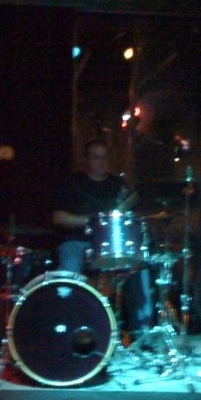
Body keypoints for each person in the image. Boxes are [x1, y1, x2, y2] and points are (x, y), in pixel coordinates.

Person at [52, 138, 152, 333]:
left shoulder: (118, 185)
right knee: (68, 269)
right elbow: (58, 217)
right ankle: (65, 327)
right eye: (96, 157)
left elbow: (131, 216)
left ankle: (142, 332)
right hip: (78, 242)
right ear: (86, 160)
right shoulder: (73, 183)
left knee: (141, 267)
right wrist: (91, 220)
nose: (102, 161)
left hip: (113, 245)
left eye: (105, 157)